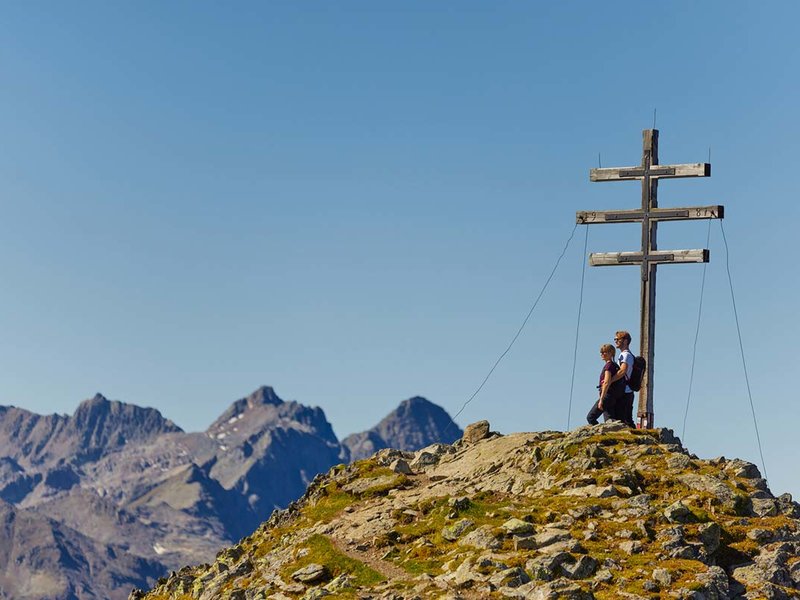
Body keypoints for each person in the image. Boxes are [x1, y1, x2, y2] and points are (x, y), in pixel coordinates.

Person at [586, 344, 624, 425]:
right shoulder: (615, 365)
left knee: (590, 417)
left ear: (611, 353)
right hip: (613, 397)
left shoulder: (609, 366)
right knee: (609, 420)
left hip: (607, 396)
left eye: (605, 352)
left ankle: (600, 434)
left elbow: (606, 382)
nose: (602, 354)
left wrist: (601, 399)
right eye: (601, 352)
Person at [610, 330, 635, 427]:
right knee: (626, 418)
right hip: (627, 391)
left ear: (625, 341)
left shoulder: (625, 355)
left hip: (625, 391)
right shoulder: (626, 355)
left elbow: (622, 371)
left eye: (617, 339)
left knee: (624, 419)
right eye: (615, 339)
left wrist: (610, 381)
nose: (615, 341)